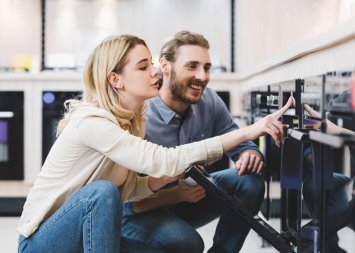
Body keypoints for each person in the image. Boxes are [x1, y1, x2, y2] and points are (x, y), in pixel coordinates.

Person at [17, 34, 292, 253]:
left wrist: (162, 180)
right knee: (101, 192)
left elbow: (131, 189)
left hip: (88, 233)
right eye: (143, 66)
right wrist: (250, 131)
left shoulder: (130, 122)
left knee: (180, 246)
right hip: (41, 243)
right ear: (116, 80)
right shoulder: (93, 122)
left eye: (150, 63)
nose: (154, 72)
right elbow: (162, 160)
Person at [120, 31, 294, 253]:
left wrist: (250, 154)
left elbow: (239, 142)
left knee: (250, 182)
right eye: (192, 66)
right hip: (141, 214)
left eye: (207, 67)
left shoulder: (209, 100)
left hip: (189, 197)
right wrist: (173, 194)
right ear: (165, 66)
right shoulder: (140, 114)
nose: (202, 76)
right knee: (188, 243)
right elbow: (125, 204)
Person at [302, 103, 355, 253]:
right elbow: (325, 124)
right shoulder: (350, 100)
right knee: (312, 184)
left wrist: (340, 132)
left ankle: (317, 239)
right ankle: (328, 246)